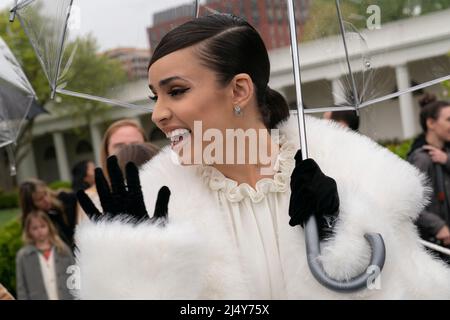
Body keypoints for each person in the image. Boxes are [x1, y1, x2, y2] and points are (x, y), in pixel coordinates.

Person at [74, 14, 450, 299]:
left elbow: (412, 289)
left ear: (239, 90)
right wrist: (134, 265)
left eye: (176, 91)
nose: (157, 114)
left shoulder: (352, 177)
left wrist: (346, 237)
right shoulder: (160, 205)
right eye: (155, 96)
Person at [76, 120, 152, 223]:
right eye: (119, 146)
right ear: (107, 151)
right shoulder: (92, 196)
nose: (127, 150)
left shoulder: (163, 183)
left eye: (135, 144)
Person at [407, 93, 450, 258]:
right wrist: (438, 226)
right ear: (431, 123)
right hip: (435, 250)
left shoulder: (445, 153)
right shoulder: (421, 159)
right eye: (448, 120)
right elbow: (410, 203)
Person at [16, 211, 75, 300]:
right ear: (29, 231)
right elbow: (21, 288)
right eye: (35, 228)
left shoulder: (63, 250)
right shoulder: (23, 256)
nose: (40, 231)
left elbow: (75, 275)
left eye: (43, 226)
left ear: (49, 227)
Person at [19, 179, 77, 249]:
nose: (46, 200)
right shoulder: (34, 222)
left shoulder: (63, 198)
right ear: (31, 205)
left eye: (46, 194)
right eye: (40, 199)